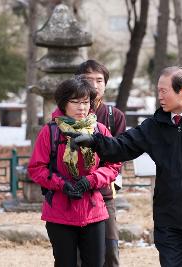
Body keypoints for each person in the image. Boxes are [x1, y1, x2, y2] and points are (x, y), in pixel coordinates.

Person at [69, 66, 182, 267]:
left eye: (164, 91)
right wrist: (94, 141)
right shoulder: (155, 125)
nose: (159, 96)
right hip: (167, 220)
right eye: (158, 90)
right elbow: (122, 146)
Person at [27, 77, 121, 267]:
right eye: (75, 102)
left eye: (86, 102)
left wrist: (91, 180)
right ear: (64, 103)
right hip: (60, 211)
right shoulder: (50, 131)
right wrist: (62, 184)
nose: (81, 107)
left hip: (94, 209)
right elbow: (37, 168)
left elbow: (113, 164)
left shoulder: (99, 130)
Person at [75, 60, 126, 267]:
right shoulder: (68, 116)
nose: (94, 85)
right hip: (72, 192)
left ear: (105, 84)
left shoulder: (114, 117)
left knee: (110, 251)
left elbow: (118, 157)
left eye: (99, 80)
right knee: (74, 255)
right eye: (88, 80)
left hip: (103, 193)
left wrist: (95, 179)